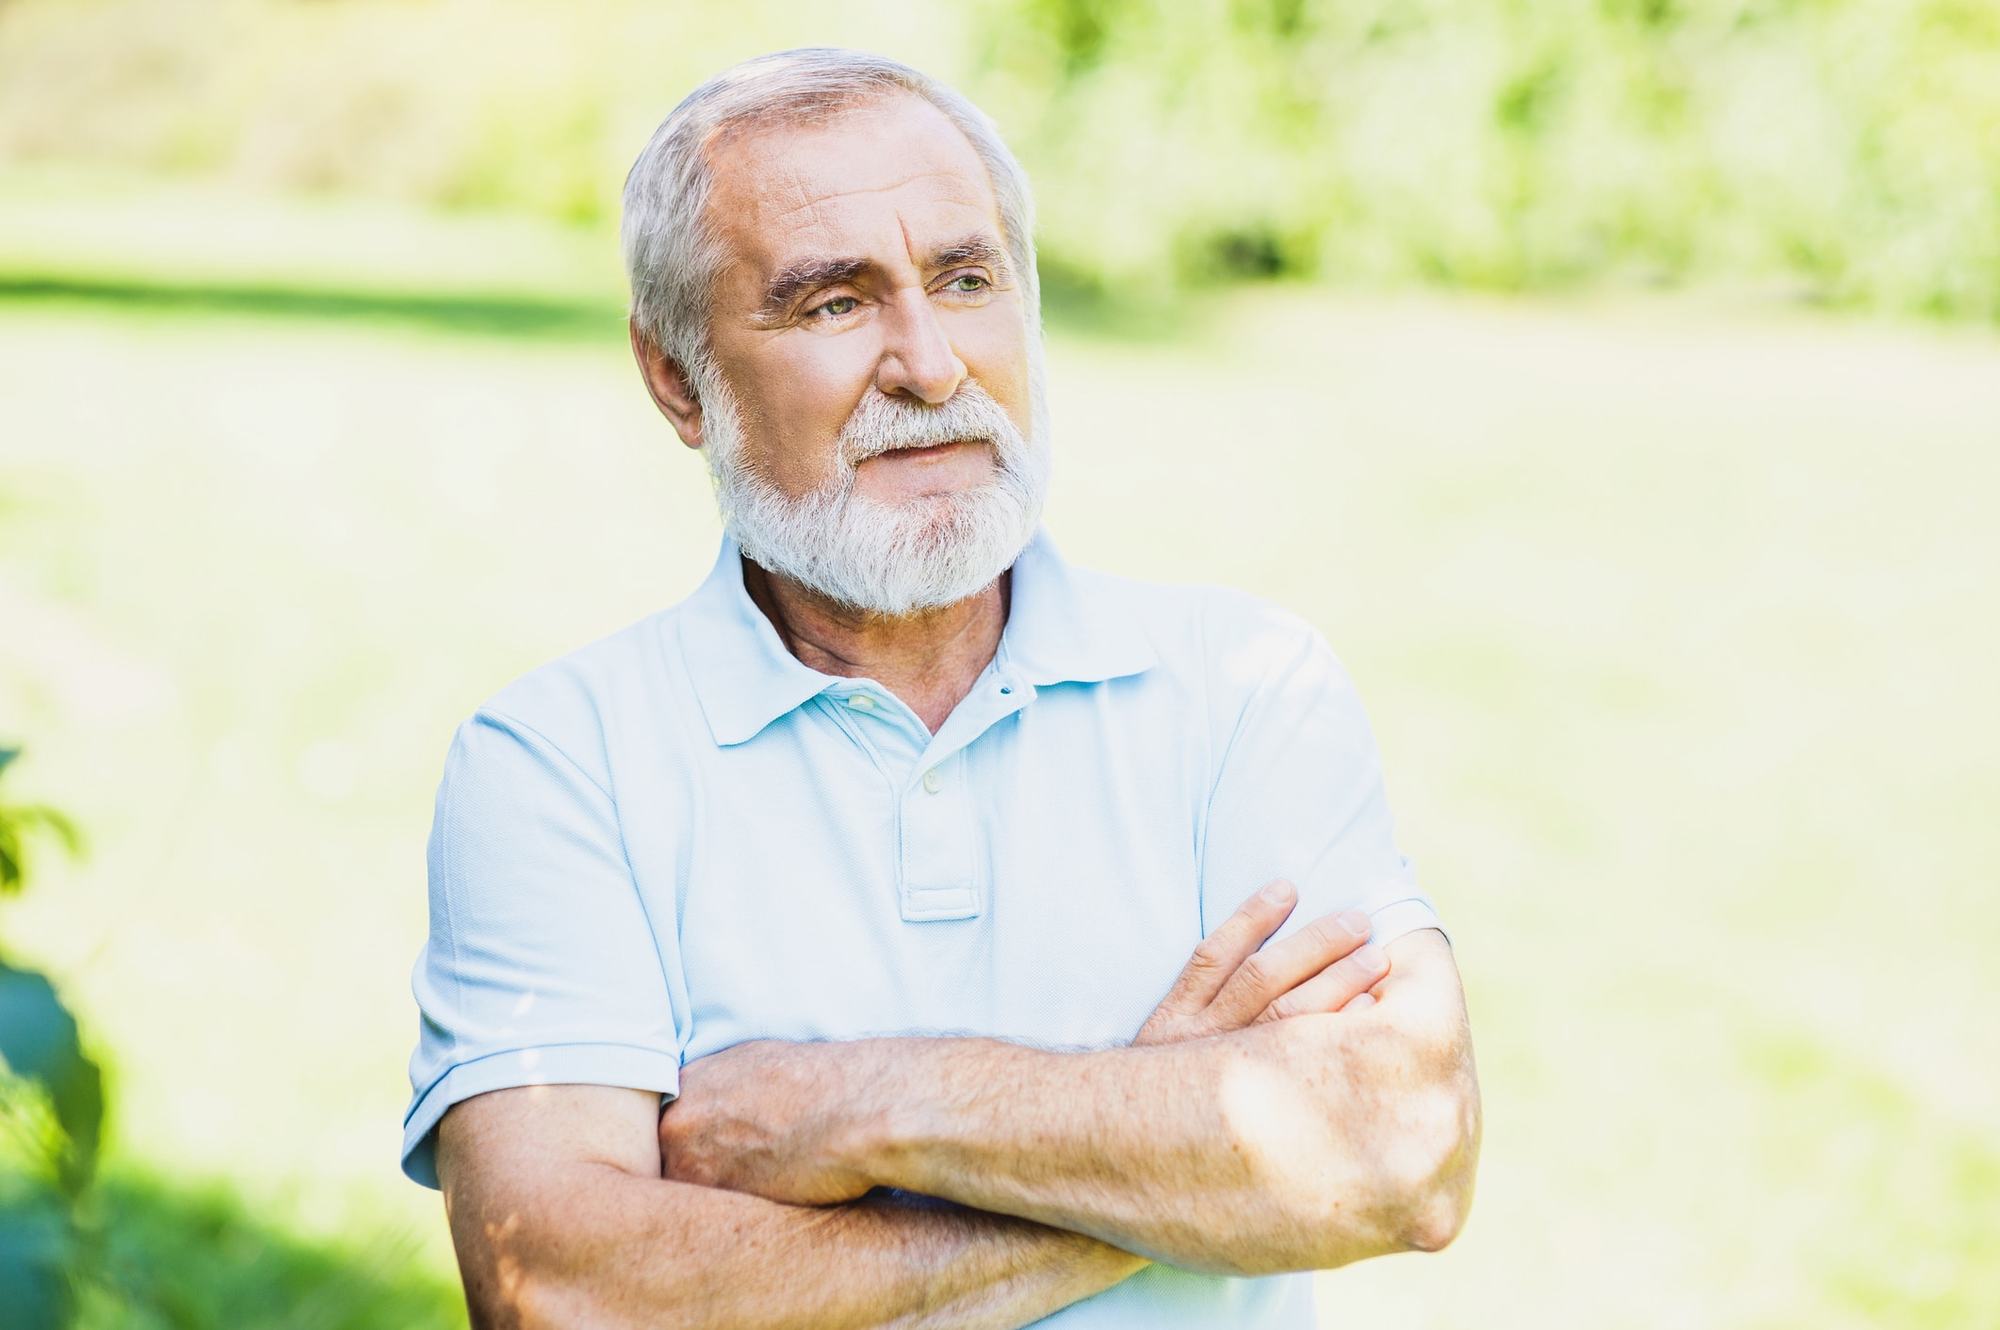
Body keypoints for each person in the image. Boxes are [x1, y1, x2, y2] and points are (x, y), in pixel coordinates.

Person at [402, 46, 1480, 1330]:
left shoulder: (1241, 689)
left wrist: (862, 1107)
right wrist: (1168, 1153)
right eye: (833, 305)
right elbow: (571, 1292)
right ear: (677, 379)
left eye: (966, 281)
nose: (929, 364)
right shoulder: (557, 760)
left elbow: (1402, 1147)